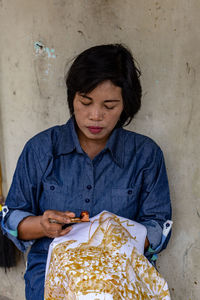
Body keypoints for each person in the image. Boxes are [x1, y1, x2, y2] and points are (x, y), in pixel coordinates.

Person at [2, 44, 171, 300]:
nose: (95, 115)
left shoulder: (145, 155)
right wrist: (42, 225)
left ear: (126, 105)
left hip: (120, 275)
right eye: (86, 101)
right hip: (53, 273)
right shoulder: (41, 149)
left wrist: (118, 235)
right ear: (73, 98)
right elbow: (12, 218)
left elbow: (160, 226)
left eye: (109, 106)